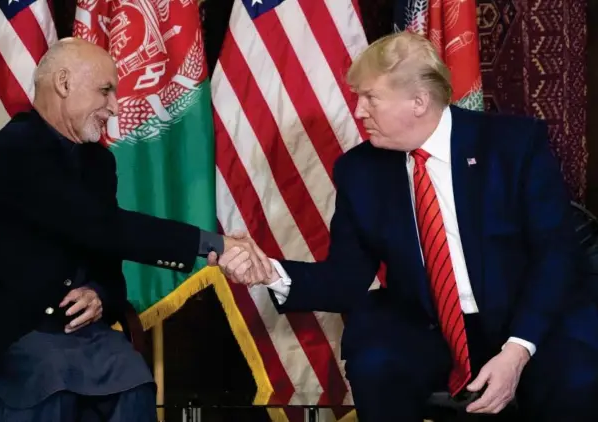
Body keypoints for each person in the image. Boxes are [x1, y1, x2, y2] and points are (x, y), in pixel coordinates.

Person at [218, 31, 598, 421]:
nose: (360, 111)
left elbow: (555, 256)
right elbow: (345, 279)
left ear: (419, 101)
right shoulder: (359, 170)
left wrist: (517, 350)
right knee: (376, 360)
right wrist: (269, 273)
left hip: (527, 316)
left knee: (577, 377)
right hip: (430, 325)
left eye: (370, 98)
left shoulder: (512, 144)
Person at [0, 37, 268, 421]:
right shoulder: (16, 150)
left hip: (71, 332)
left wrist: (98, 293)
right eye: (105, 91)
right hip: (6, 330)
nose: (115, 107)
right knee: (54, 386)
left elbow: (107, 259)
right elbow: (100, 226)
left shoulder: (97, 163)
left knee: (134, 379)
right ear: (63, 83)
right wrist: (212, 244)